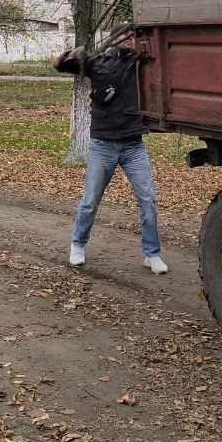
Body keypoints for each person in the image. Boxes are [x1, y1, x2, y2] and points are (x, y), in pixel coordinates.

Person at [53, 40, 167, 274]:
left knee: (148, 200)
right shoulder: (97, 63)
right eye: (124, 37)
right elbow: (62, 65)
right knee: (90, 200)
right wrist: (72, 54)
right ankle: (78, 245)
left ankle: (152, 255)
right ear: (114, 41)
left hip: (133, 145)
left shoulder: (139, 62)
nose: (129, 41)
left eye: (132, 37)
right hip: (103, 145)